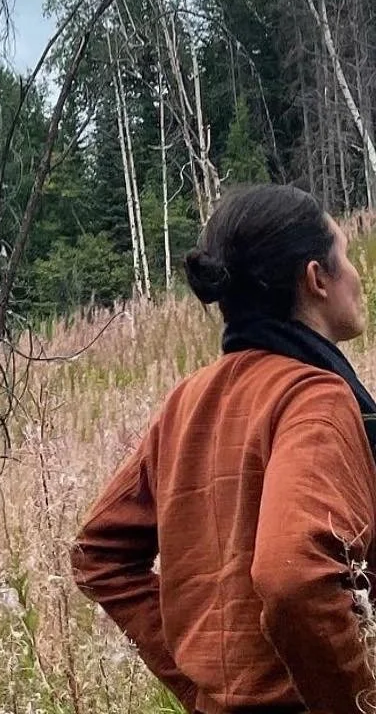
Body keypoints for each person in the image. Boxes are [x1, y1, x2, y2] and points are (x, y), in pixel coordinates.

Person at [71, 184, 376, 714]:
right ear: (316, 279)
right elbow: (292, 577)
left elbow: (96, 554)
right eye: (346, 256)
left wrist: (199, 686)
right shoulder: (316, 397)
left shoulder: (186, 401)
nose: (358, 274)